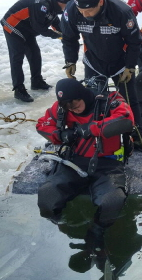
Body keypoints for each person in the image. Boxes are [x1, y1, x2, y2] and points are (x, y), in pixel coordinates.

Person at [36, 78, 134, 252]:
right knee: (47, 194)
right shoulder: (62, 108)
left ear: (82, 95)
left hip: (108, 164)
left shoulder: (109, 100)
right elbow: (42, 124)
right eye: (67, 106)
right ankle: (58, 228)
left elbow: (125, 120)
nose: (72, 109)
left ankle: (96, 233)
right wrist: (59, 134)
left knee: (112, 201)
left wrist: (93, 128)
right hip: (73, 162)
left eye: (75, 104)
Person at [61, 0, 142, 153]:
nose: (85, 15)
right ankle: (95, 136)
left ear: (100, 2)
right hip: (93, 61)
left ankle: (137, 136)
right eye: (81, 10)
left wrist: (130, 66)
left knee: (129, 100)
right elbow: (69, 38)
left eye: (89, 10)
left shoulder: (121, 11)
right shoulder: (71, 10)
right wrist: (70, 61)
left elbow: (134, 41)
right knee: (93, 102)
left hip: (120, 63)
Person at [1, 0, 70, 102]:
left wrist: (66, 35)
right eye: (68, 4)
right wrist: (57, 35)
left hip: (27, 27)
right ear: (61, 1)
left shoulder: (52, 6)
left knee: (35, 54)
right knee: (17, 56)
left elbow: (55, 22)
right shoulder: (42, 5)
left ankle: (36, 81)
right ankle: (18, 89)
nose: (68, 7)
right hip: (12, 24)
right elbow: (39, 27)